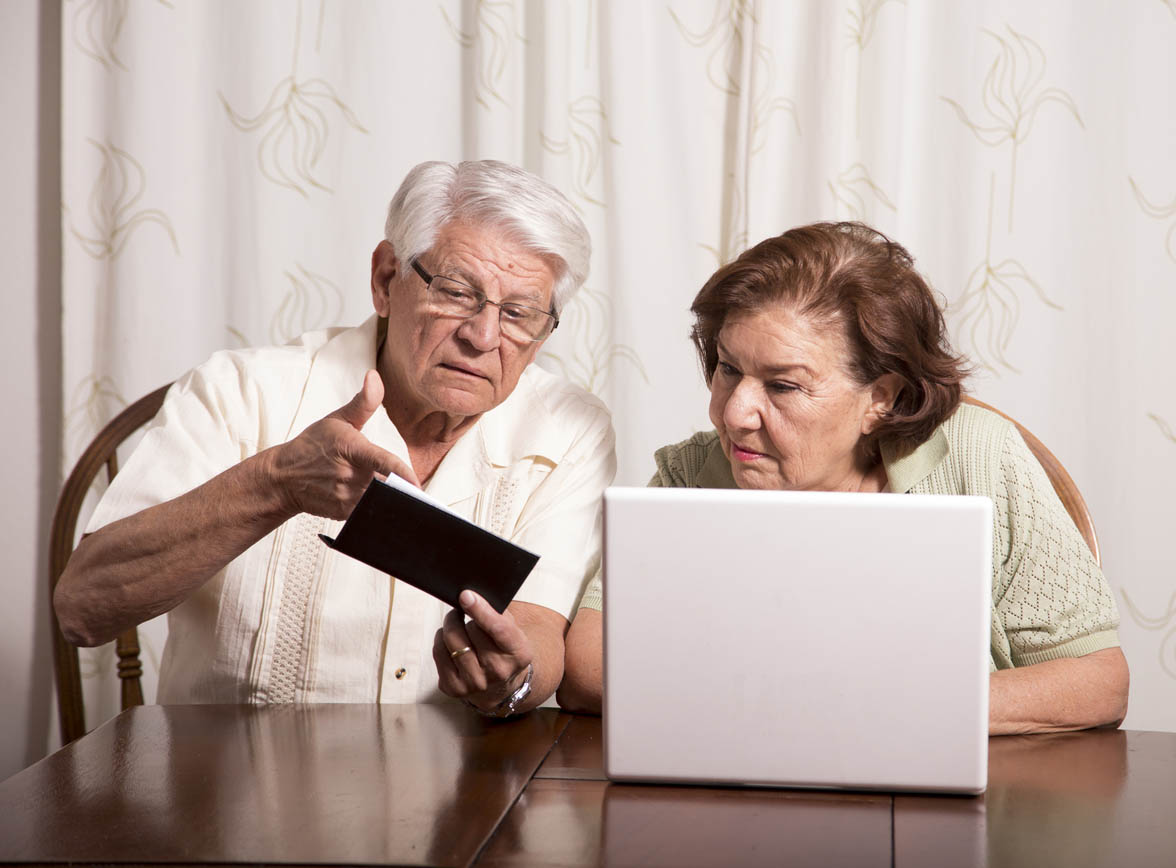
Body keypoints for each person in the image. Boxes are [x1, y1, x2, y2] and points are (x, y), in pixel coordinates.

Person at [55, 159, 616, 717]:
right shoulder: (237, 392)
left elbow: (539, 626)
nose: (483, 336)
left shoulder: (570, 428)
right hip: (230, 790)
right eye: (456, 292)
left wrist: (510, 684)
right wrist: (275, 485)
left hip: (455, 794)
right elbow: (82, 609)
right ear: (385, 279)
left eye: (519, 313)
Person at [557, 221, 1129, 735]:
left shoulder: (980, 457)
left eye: (783, 386)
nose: (733, 414)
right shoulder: (692, 473)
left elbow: (1098, 682)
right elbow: (588, 665)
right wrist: (816, 704)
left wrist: (879, 709)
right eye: (729, 369)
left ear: (880, 398)